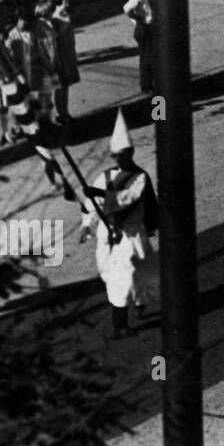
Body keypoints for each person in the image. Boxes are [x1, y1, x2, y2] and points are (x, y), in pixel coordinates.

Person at [80, 111, 159, 340]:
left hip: (131, 235)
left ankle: (121, 323)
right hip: (108, 237)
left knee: (129, 276)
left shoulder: (139, 177)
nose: (119, 159)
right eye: (116, 156)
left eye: (123, 155)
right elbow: (92, 205)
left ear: (131, 153)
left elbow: (125, 200)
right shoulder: (104, 176)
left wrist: (97, 192)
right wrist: (88, 224)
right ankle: (134, 302)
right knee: (113, 276)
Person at [122, 0, 154, 94]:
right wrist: (136, 18)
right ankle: (146, 86)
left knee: (151, 56)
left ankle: (150, 83)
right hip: (144, 28)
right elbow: (127, 8)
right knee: (146, 58)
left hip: (150, 27)